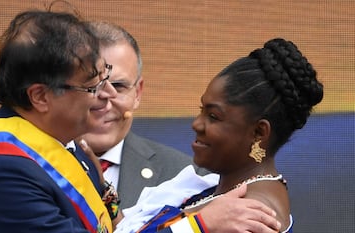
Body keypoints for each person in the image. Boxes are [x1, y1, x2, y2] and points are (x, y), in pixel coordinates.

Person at [115, 38, 324, 233]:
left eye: (214, 116)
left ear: (259, 133)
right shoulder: (222, 192)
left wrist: (199, 225)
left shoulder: (252, 218)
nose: (197, 124)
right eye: (201, 110)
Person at [0, 9, 119, 233]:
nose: (110, 93)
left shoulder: (65, 142)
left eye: (104, 76)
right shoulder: (2, 174)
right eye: (93, 85)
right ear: (40, 96)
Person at [75, 21, 204, 209]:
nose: (103, 100)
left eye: (118, 86)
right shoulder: (29, 164)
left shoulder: (186, 176)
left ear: (137, 93)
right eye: (90, 86)